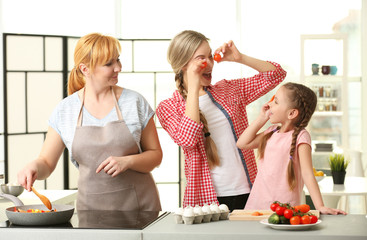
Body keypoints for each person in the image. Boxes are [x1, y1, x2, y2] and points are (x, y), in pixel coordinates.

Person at [17, 33, 162, 211]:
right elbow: (46, 162)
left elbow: (156, 155)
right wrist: (33, 167)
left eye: (117, 60)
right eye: (109, 64)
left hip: (140, 207)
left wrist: (127, 162)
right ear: (85, 69)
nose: (118, 68)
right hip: (92, 210)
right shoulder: (65, 111)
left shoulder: (134, 102)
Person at [156, 30, 287, 211]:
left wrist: (240, 58)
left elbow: (276, 75)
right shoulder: (168, 107)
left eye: (210, 56)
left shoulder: (229, 90)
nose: (209, 63)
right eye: (201, 58)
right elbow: (188, 140)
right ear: (183, 65)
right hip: (205, 199)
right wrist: (193, 87)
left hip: (249, 191)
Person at [237, 82, 346, 214]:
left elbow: (307, 174)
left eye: (275, 102)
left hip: (285, 209)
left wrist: (320, 206)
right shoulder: (271, 132)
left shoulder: (302, 137)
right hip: (257, 205)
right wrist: (262, 118)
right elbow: (242, 143)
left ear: (292, 113)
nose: (269, 104)